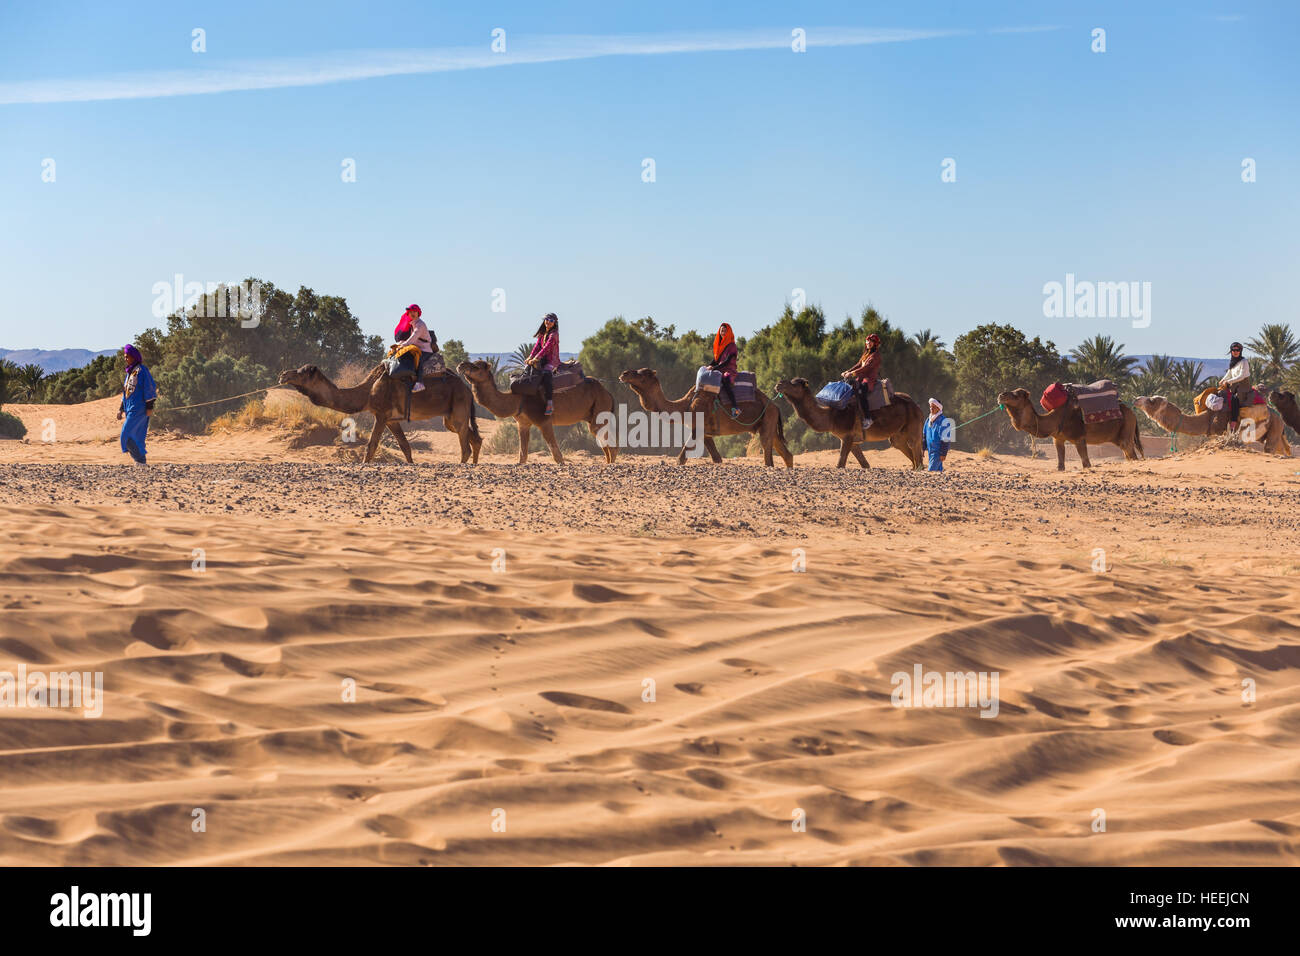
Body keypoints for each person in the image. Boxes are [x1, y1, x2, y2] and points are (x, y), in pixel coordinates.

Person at [115, 344, 156, 465]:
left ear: (133, 357)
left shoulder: (142, 371)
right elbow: (126, 393)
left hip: (140, 409)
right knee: (135, 435)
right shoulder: (129, 373)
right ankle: (139, 461)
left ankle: (140, 460)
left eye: (127, 356)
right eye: (124, 356)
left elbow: (149, 388)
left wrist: (149, 406)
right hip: (130, 409)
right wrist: (121, 409)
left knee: (126, 435)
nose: (125, 358)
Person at [393, 304, 438, 392]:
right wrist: (400, 344)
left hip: (425, 350)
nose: (412, 313)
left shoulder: (420, 325)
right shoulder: (412, 324)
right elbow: (408, 339)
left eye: (414, 312)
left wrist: (404, 345)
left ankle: (420, 383)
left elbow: (413, 337)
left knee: (418, 360)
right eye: (410, 312)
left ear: (418, 313)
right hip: (416, 347)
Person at [842, 332, 882, 428]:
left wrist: (852, 373)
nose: (868, 343)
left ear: (875, 344)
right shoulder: (866, 354)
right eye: (868, 341)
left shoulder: (875, 356)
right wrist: (848, 371)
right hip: (860, 378)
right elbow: (859, 364)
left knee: (861, 393)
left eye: (871, 341)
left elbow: (866, 368)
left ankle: (868, 419)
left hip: (868, 381)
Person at [525, 312, 561, 415]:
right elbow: (536, 347)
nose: (548, 322)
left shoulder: (554, 335)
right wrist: (530, 357)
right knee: (528, 370)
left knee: (546, 374)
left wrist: (536, 358)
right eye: (547, 320)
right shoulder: (543, 333)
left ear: (555, 323)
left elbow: (546, 348)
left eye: (551, 320)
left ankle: (549, 403)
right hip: (542, 360)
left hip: (552, 361)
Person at [708, 322, 741, 418]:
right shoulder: (720, 345)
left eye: (725, 331)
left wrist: (714, 368)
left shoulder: (732, 346)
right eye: (722, 330)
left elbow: (727, 361)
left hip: (729, 369)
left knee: (725, 379)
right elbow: (716, 359)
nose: (723, 332)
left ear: (729, 332)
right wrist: (710, 366)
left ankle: (735, 408)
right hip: (720, 369)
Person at [1218, 341, 1252, 430]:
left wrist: (1228, 381)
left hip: (1243, 387)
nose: (1235, 352)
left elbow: (1241, 376)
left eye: (1237, 350)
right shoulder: (1233, 362)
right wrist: (1223, 380)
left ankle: (1233, 421)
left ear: (1240, 351)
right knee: (1219, 394)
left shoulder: (1244, 361)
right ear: (1231, 351)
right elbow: (1229, 373)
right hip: (1234, 386)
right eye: (1233, 350)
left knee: (1234, 399)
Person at [924, 398, 952, 472]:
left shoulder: (944, 421)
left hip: (938, 452)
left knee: (931, 471)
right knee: (938, 473)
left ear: (938, 408)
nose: (931, 409)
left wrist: (943, 453)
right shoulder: (928, 420)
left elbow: (946, 439)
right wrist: (922, 449)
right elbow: (924, 436)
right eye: (930, 407)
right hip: (930, 451)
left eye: (934, 407)